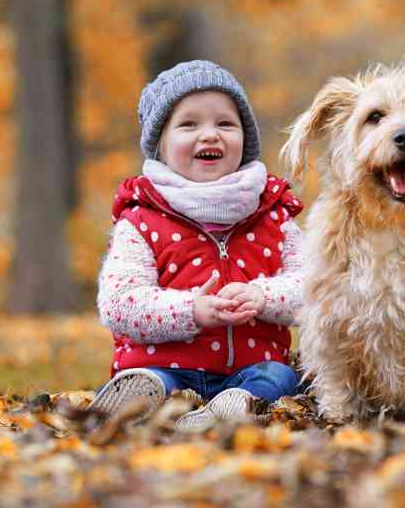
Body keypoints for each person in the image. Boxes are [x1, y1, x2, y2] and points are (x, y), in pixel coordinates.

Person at [92, 60, 305, 430]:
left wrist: (264, 296)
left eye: (225, 123)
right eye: (189, 124)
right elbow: (118, 303)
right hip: (162, 365)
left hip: (249, 369)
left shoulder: (272, 215)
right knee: (151, 378)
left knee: (278, 377)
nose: (210, 135)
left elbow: (316, 287)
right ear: (161, 143)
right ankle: (145, 397)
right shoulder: (142, 220)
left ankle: (229, 409)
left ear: (245, 138)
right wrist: (192, 309)